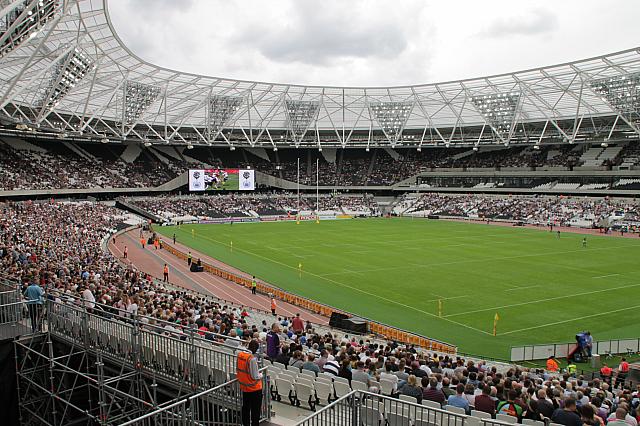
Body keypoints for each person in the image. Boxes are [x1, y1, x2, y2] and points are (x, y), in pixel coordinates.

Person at [237, 340, 263, 426]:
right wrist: (261, 375)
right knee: (255, 411)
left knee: (246, 408)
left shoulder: (240, 355)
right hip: (254, 388)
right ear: (255, 349)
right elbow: (255, 376)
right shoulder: (251, 359)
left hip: (244, 386)